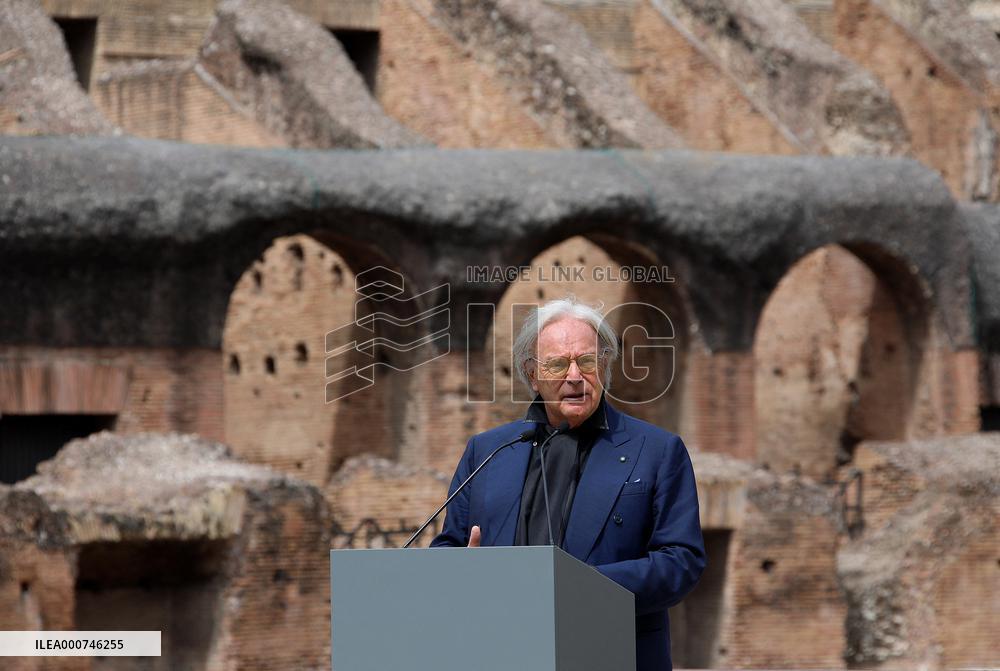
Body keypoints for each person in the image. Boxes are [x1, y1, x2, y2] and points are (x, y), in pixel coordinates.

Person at [432, 297, 705, 671]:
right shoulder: (487, 451)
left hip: (611, 653)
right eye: (558, 364)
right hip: (503, 652)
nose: (575, 376)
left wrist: (580, 586)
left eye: (587, 362)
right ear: (532, 375)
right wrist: (464, 572)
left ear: (604, 366)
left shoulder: (658, 451)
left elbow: (681, 562)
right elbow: (448, 548)